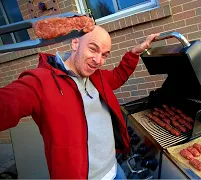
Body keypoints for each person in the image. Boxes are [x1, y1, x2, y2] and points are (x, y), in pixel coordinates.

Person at [0, 25, 159, 179]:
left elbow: (118, 76)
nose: (98, 60)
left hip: (114, 169)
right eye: (93, 49)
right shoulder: (40, 83)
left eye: (104, 55)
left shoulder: (98, 77)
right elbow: (7, 102)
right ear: (75, 43)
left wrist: (134, 53)